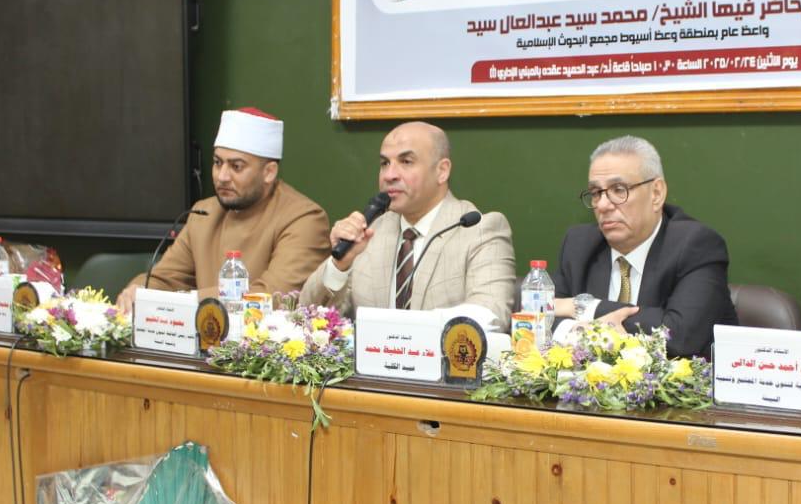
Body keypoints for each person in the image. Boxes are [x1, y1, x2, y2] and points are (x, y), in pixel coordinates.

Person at [298, 121, 515, 325]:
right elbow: (306, 318)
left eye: (406, 162)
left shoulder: (479, 231)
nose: (389, 175)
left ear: (442, 171)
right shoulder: (370, 232)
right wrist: (340, 266)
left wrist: (413, 331)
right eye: (385, 163)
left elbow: (491, 314)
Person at [115, 108, 331, 312]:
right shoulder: (203, 213)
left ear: (269, 172)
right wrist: (139, 291)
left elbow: (273, 297)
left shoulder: (304, 219)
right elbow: (165, 278)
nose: (222, 176)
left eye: (236, 166)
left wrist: (181, 301)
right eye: (218, 163)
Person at [551, 135, 737, 357]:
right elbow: (540, 319)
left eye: (619, 189)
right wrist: (587, 331)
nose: (603, 205)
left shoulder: (696, 245)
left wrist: (583, 307)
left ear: (656, 194)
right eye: (596, 193)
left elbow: (679, 337)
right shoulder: (579, 244)